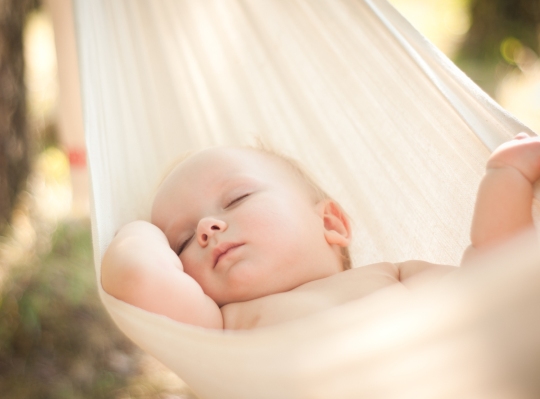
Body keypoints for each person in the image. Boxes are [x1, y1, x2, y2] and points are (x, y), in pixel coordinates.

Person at [101, 133, 540, 330]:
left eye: (236, 200)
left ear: (330, 223)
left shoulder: (392, 276)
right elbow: (137, 276)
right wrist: (136, 231)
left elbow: (497, 291)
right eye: (179, 242)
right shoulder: (222, 326)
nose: (206, 228)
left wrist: (507, 179)